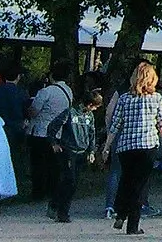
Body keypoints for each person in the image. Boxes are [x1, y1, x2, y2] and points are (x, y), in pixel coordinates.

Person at [100, 60, 162, 234]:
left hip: (126, 147)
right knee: (140, 185)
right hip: (147, 146)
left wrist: (107, 146)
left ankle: (121, 213)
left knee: (126, 180)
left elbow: (115, 124)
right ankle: (133, 225)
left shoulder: (124, 98)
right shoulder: (156, 98)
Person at [46, 80, 100, 221]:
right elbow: (52, 126)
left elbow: (92, 134)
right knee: (69, 180)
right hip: (69, 150)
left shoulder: (89, 116)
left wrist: (92, 151)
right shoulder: (70, 112)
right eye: (95, 107)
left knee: (73, 183)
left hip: (82, 152)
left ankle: (57, 205)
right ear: (89, 105)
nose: (95, 110)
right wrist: (54, 142)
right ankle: (61, 212)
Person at [26, 60, 74, 214]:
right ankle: (53, 190)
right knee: (54, 165)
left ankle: (38, 191)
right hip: (59, 132)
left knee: (38, 164)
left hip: (41, 130)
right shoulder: (68, 91)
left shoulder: (46, 91)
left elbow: (34, 110)